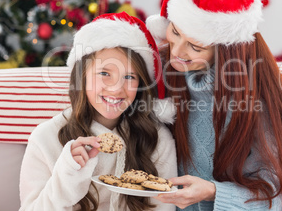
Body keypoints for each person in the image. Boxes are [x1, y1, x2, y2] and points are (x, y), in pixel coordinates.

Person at [146, 0, 282, 210]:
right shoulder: (159, 66)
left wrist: (212, 192)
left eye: (195, 47)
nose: (176, 52)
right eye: (175, 31)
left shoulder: (256, 98)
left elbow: (273, 197)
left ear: (224, 49)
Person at [19, 12, 177, 211]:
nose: (116, 88)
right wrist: (67, 176)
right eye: (104, 73)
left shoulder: (157, 139)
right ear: (82, 76)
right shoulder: (45, 138)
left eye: (129, 77)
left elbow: (164, 206)